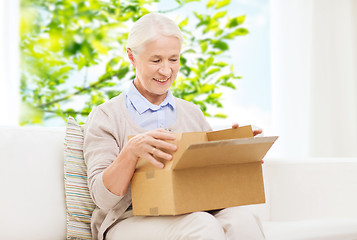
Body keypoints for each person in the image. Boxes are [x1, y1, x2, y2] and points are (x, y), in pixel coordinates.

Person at [83, 12, 265, 240]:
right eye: (156, 60)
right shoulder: (106, 116)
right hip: (128, 220)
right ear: (131, 56)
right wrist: (130, 152)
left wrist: (240, 154)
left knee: (242, 219)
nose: (167, 71)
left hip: (191, 210)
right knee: (201, 224)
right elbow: (102, 198)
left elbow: (214, 180)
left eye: (173, 59)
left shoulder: (192, 113)